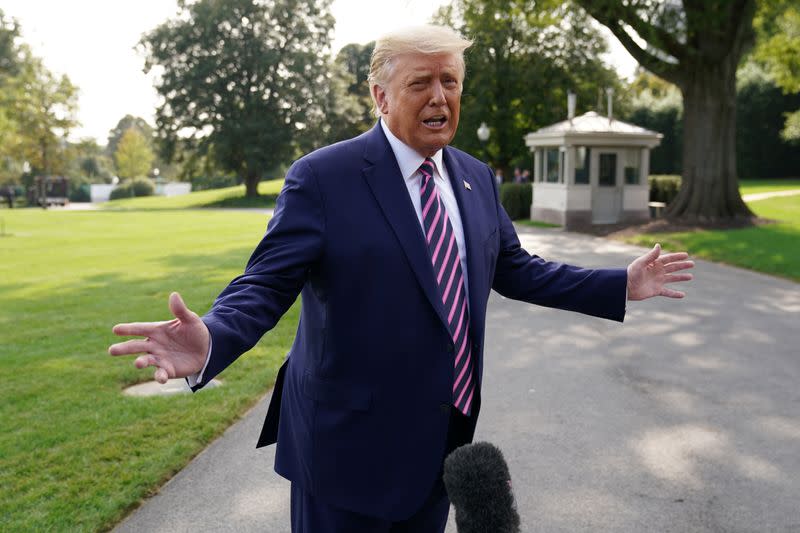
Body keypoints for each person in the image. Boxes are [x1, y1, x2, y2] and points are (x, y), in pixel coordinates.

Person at [108, 25, 693, 533]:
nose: (440, 96)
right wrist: (213, 335)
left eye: (451, 82)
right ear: (380, 96)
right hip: (344, 454)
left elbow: (515, 269)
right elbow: (265, 283)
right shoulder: (323, 178)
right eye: (421, 83)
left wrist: (619, 284)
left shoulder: (475, 178)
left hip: (439, 444)